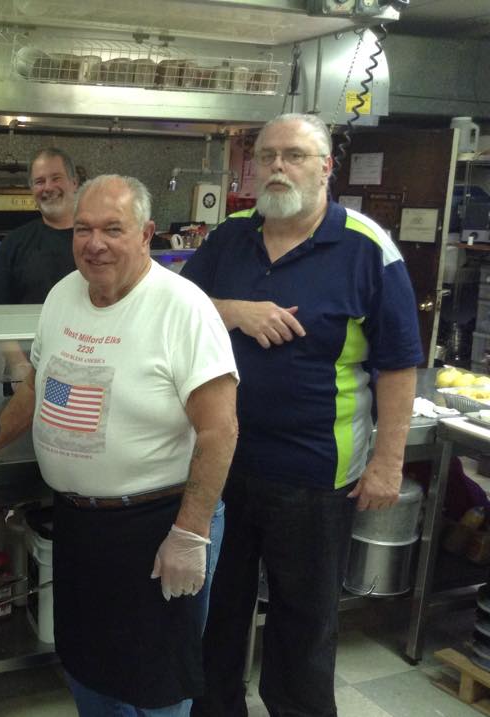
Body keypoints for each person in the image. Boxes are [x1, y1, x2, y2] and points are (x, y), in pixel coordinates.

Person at [181, 113, 422, 717]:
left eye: (294, 155)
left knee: (304, 625)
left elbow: (397, 364)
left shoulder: (368, 248)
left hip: (315, 475)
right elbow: (179, 309)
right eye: (267, 156)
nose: (278, 167)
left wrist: (388, 462)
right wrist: (235, 310)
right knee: (215, 612)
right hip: (221, 465)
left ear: (326, 168)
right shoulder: (229, 236)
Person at [0, 175, 239, 715]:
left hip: (159, 526)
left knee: (156, 683)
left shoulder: (183, 307)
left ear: (147, 233)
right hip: (80, 523)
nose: (94, 243)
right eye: (83, 229)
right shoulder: (62, 295)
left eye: (112, 229)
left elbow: (220, 430)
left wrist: (190, 532)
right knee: (88, 668)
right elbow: (37, 386)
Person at [0, 147, 79, 305]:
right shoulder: (13, 244)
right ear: (32, 190)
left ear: (74, 183)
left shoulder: (94, 240)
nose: (48, 187)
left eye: (56, 178)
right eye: (39, 182)